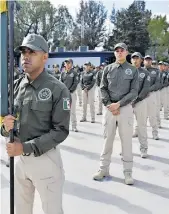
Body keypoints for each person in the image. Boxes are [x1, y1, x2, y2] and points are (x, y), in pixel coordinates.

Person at [1, 34, 71, 214]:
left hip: (45, 159)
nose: (26, 56)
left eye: (32, 52)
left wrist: (24, 147)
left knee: (52, 211)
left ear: (45, 57)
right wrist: (4, 127)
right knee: (21, 210)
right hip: (20, 160)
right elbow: (6, 123)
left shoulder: (58, 89)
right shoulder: (17, 85)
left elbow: (60, 131)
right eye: (24, 52)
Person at [93, 43, 138, 185]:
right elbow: (102, 88)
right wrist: (109, 105)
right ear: (114, 53)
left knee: (126, 142)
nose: (119, 53)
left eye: (122, 50)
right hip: (109, 109)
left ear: (126, 52)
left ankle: (128, 172)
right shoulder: (108, 69)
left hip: (124, 109)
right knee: (107, 140)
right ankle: (103, 169)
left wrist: (119, 104)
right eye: (117, 51)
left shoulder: (132, 70)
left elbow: (134, 91)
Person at [131, 52, 150, 158]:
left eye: (137, 58)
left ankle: (143, 149)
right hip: (127, 102)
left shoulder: (145, 73)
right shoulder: (126, 72)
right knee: (125, 127)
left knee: (142, 126)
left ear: (141, 60)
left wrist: (136, 100)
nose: (135, 60)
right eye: (133, 58)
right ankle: (125, 149)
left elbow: (146, 88)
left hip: (140, 101)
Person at [60, 58, 79, 132]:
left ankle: (74, 126)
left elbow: (75, 83)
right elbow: (60, 83)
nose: (67, 65)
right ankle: (65, 126)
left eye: (69, 63)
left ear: (71, 64)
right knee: (66, 110)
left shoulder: (74, 73)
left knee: (72, 111)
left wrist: (69, 90)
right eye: (66, 63)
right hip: (65, 95)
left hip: (71, 94)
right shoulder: (63, 73)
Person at [144, 55, 160, 139]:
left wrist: (147, 90)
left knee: (152, 115)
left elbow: (157, 84)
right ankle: (137, 131)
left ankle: (155, 133)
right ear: (144, 61)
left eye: (149, 60)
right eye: (146, 60)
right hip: (141, 96)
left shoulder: (156, 71)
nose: (148, 61)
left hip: (151, 95)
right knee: (139, 115)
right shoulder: (139, 70)